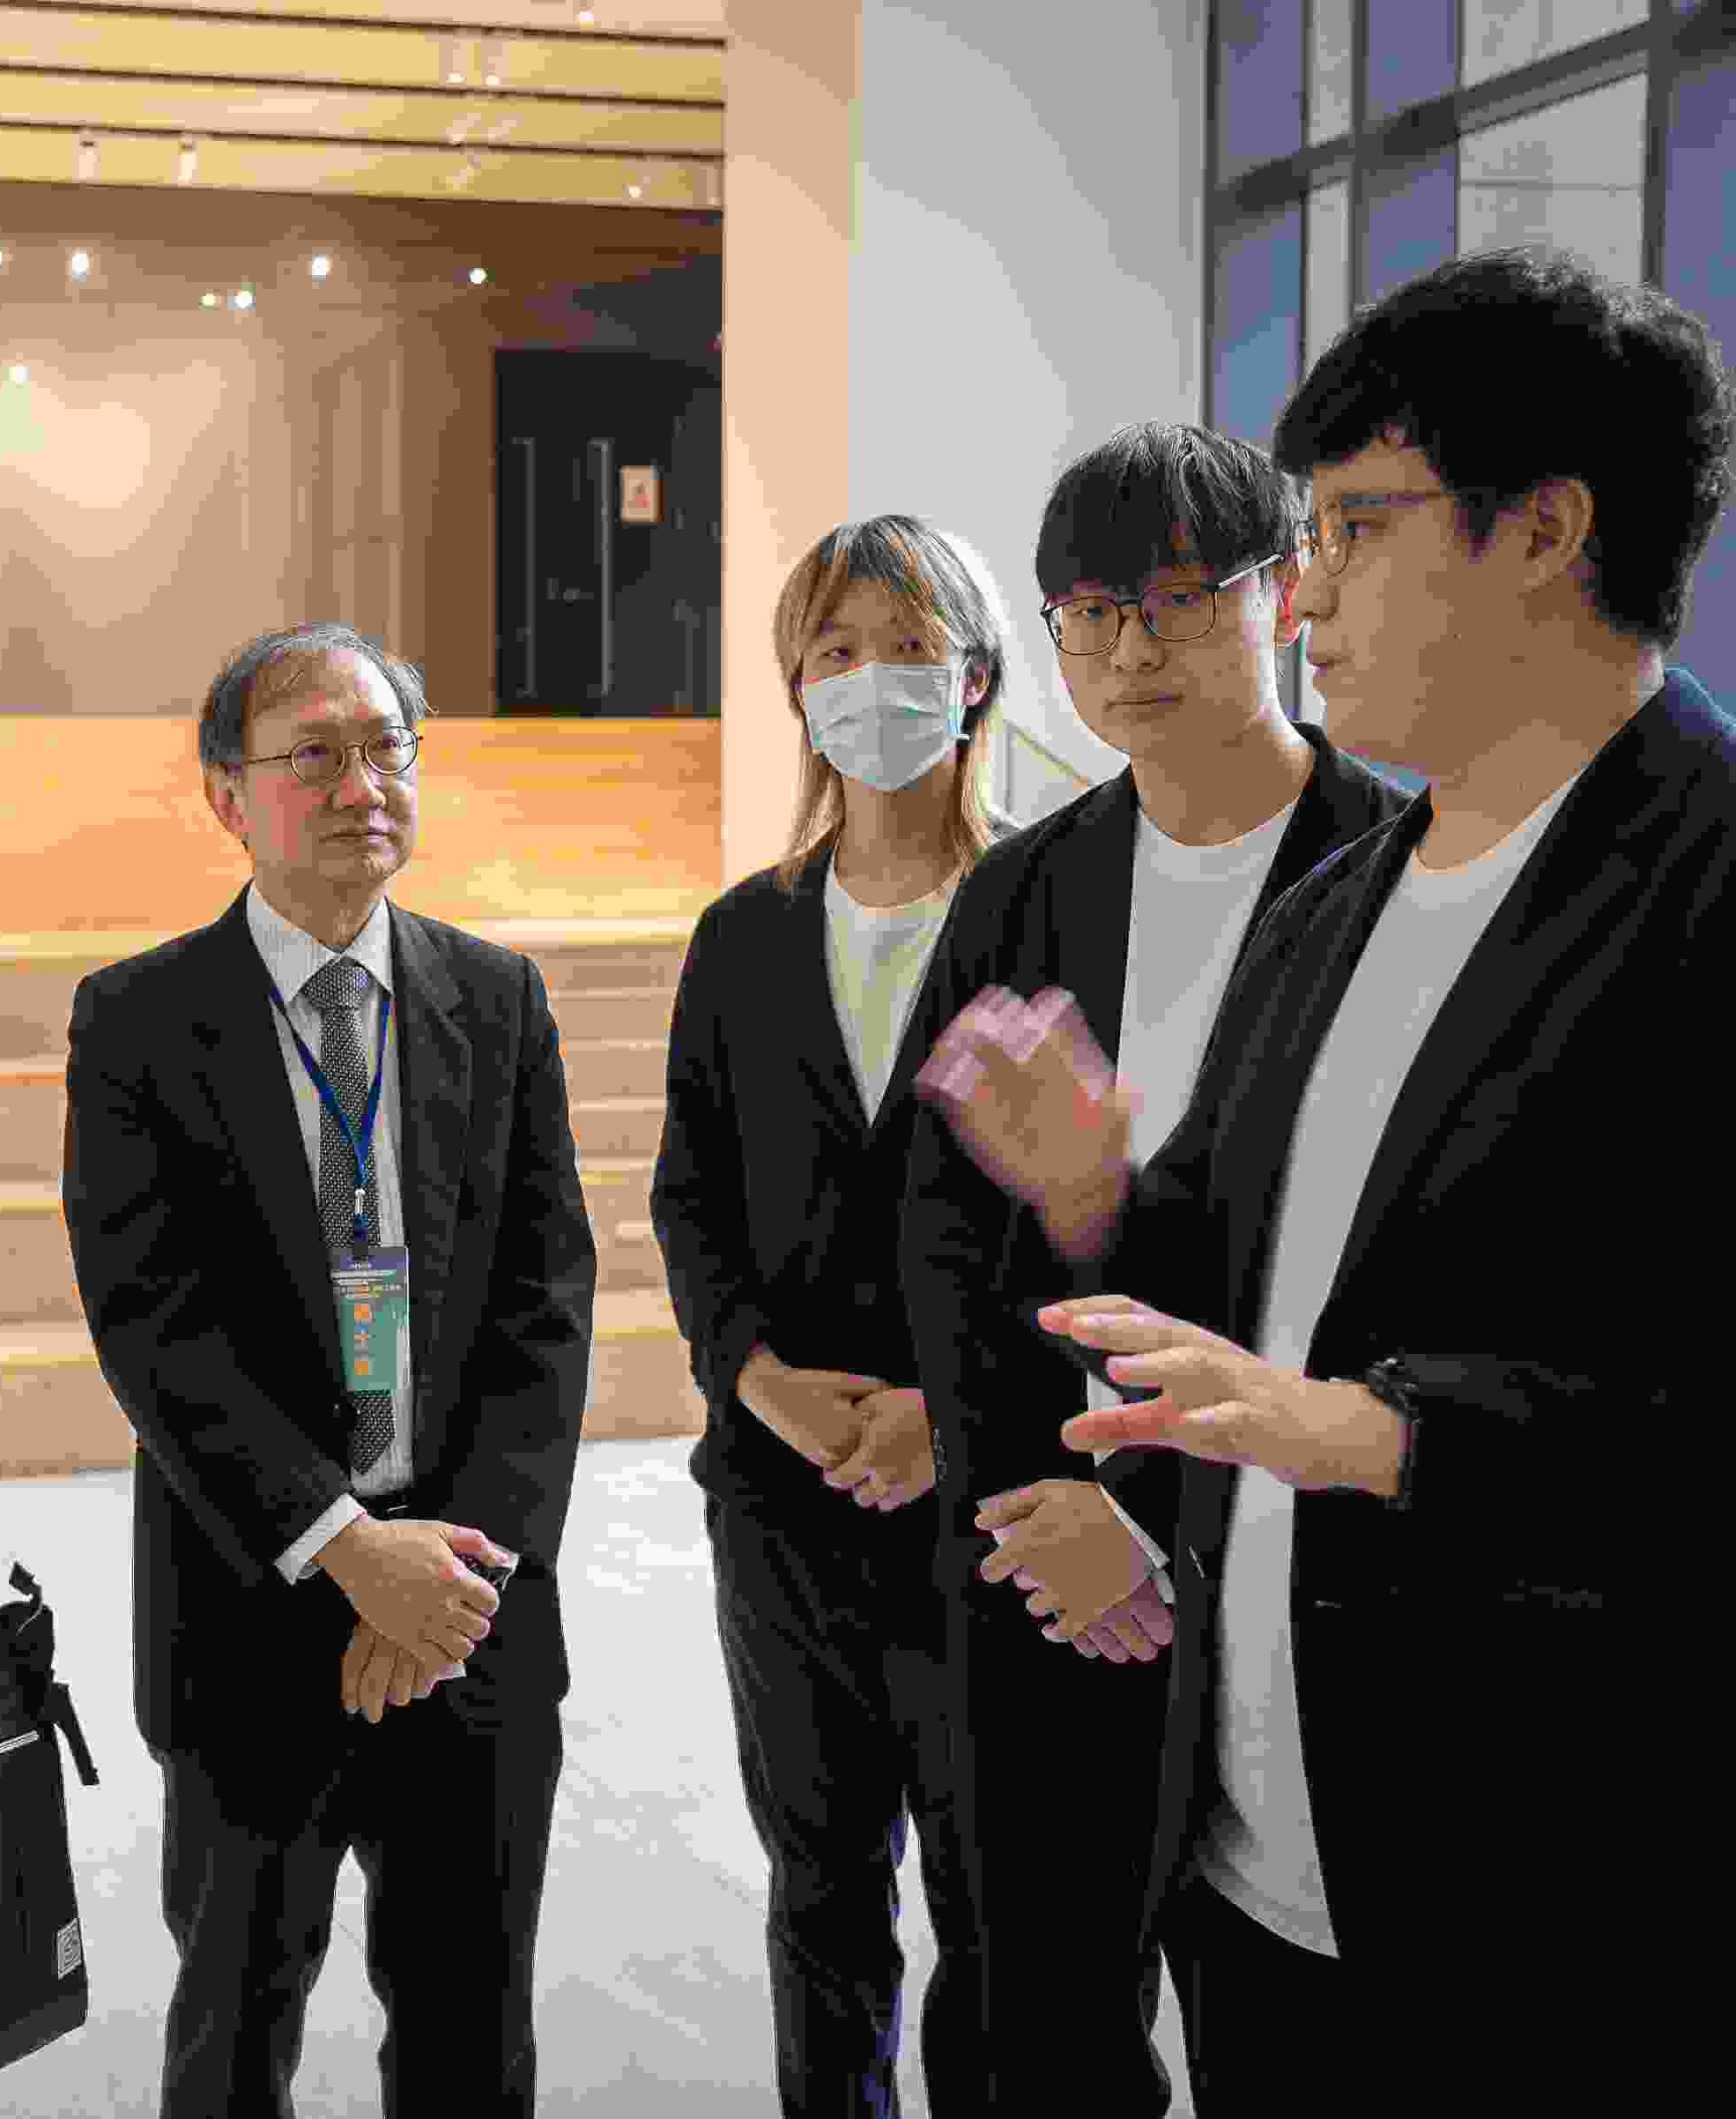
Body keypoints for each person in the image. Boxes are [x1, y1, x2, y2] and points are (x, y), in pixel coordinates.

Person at [916, 244, 1727, 2110]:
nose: (1312, 598)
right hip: (1262, 1851)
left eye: (1358, 530)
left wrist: (1384, 1433)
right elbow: (1232, 1263)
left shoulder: (1703, 884)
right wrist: (1101, 1195)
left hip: (1560, 1888)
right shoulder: (1342, 905)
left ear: (1546, 531)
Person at [892, 423, 1408, 2119]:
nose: (1130, 650)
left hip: (1294, 1560)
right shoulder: (1024, 891)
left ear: (1280, 594)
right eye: (1091, 612)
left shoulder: (1394, 864)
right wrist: (1043, 1503)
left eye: (1180, 600)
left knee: (1293, 2017)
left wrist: (1162, 1519)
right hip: (1050, 1555)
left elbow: (1359, 1265)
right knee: (1039, 2016)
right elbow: (946, 1237)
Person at [60, 620, 595, 2118]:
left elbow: (548, 1302)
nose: (363, 786)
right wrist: (350, 1548)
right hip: (254, 1606)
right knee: (238, 2026)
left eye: (386, 749)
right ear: (228, 795)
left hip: (470, 1609)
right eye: (315, 756)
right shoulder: (138, 1019)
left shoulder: (498, 999)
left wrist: (453, 1572)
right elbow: (153, 1325)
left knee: (469, 2028)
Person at [649, 515, 1013, 2116]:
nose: (873, 681)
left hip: (991, 1495)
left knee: (996, 1904)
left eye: (910, 648)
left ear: (976, 675)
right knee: (821, 1890)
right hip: (782, 1497)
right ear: (798, 686)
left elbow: (1096, 1214)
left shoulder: (1045, 909)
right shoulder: (745, 934)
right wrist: (760, 1381)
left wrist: (959, 1409)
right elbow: (691, 1197)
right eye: (838, 651)